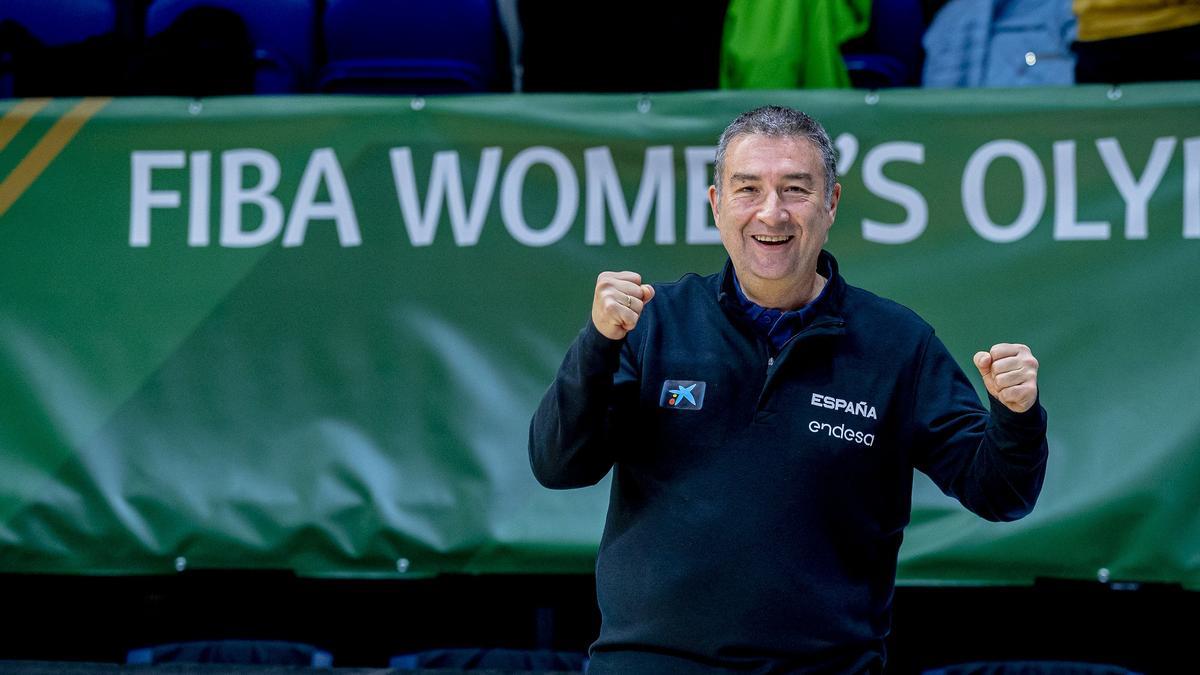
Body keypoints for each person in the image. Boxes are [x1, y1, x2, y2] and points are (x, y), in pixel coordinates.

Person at [529, 105, 1048, 674]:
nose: (770, 213)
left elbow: (999, 494)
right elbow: (559, 465)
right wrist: (596, 345)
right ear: (716, 205)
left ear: (831, 204)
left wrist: (1015, 415)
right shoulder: (652, 322)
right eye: (747, 188)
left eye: (795, 189)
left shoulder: (898, 343)